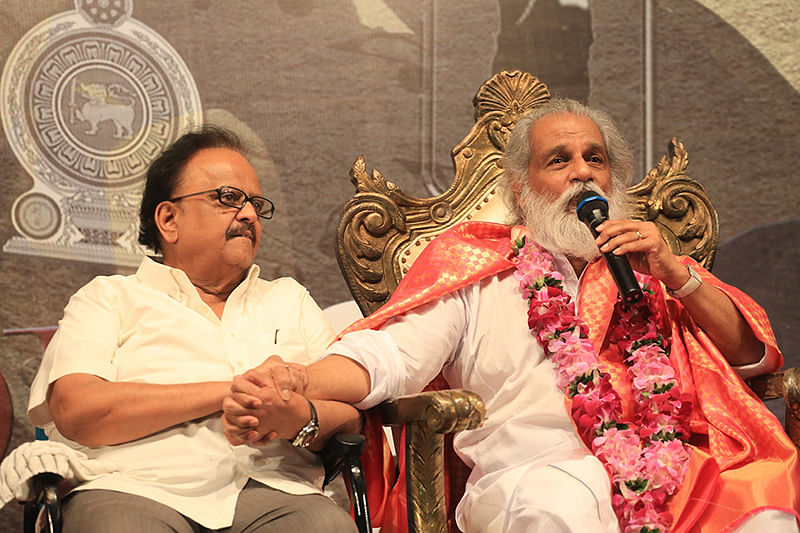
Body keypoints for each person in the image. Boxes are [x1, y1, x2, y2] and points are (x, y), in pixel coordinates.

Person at [222, 100, 800, 532]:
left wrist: (678, 275)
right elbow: (390, 357)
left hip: (669, 472)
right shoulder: (475, 267)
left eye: (595, 159)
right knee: (564, 511)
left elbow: (748, 359)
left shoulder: (650, 267)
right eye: (560, 160)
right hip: (533, 479)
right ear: (522, 191)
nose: (583, 173)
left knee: (764, 513)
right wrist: (300, 378)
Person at [26, 126, 361, 533]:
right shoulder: (109, 298)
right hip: (133, 489)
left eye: (256, 203)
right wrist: (230, 392)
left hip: (278, 493)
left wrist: (299, 417)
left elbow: (349, 416)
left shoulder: (288, 300)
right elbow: (79, 410)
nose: (250, 214)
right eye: (229, 198)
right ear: (169, 219)